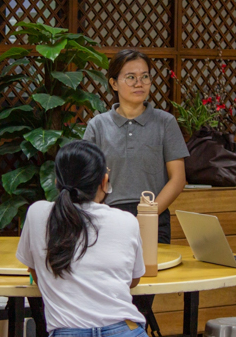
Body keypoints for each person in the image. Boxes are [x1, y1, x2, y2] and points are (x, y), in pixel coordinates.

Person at [83, 49, 188, 335]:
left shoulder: (165, 122)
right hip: (107, 221)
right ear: (114, 83)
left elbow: (178, 178)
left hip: (152, 221)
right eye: (130, 77)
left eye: (144, 77)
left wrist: (150, 213)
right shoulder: (97, 125)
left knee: (140, 302)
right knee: (107, 300)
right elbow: (88, 179)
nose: (139, 83)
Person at [16, 140, 148, 337]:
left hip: (67, 332)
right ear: (104, 182)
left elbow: (35, 271)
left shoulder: (37, 214)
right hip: (124, 329)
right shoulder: (127, 221)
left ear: (55, 182)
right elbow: (133, 279)